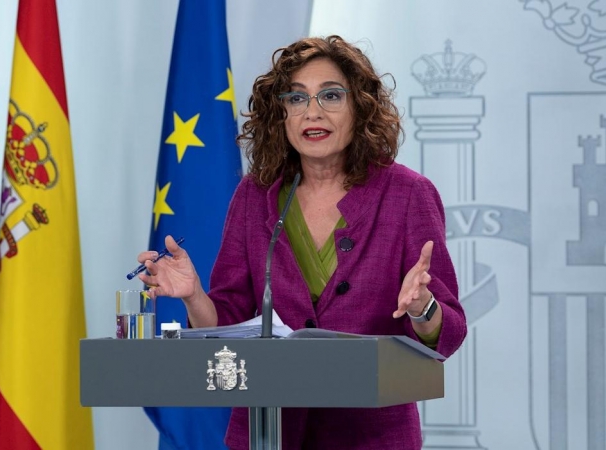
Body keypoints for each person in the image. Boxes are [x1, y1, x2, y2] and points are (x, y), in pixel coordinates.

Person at [137, 35, 467, 450]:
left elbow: (450, 332)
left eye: (330, 95)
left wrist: (425, 308)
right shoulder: (254, 196)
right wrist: (193, 296)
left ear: (360, 107)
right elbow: (225, 325)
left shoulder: (407, 194)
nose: (313, 111)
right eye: (296, 99)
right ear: (281, 115)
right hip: (267, 433)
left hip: (371, 436)